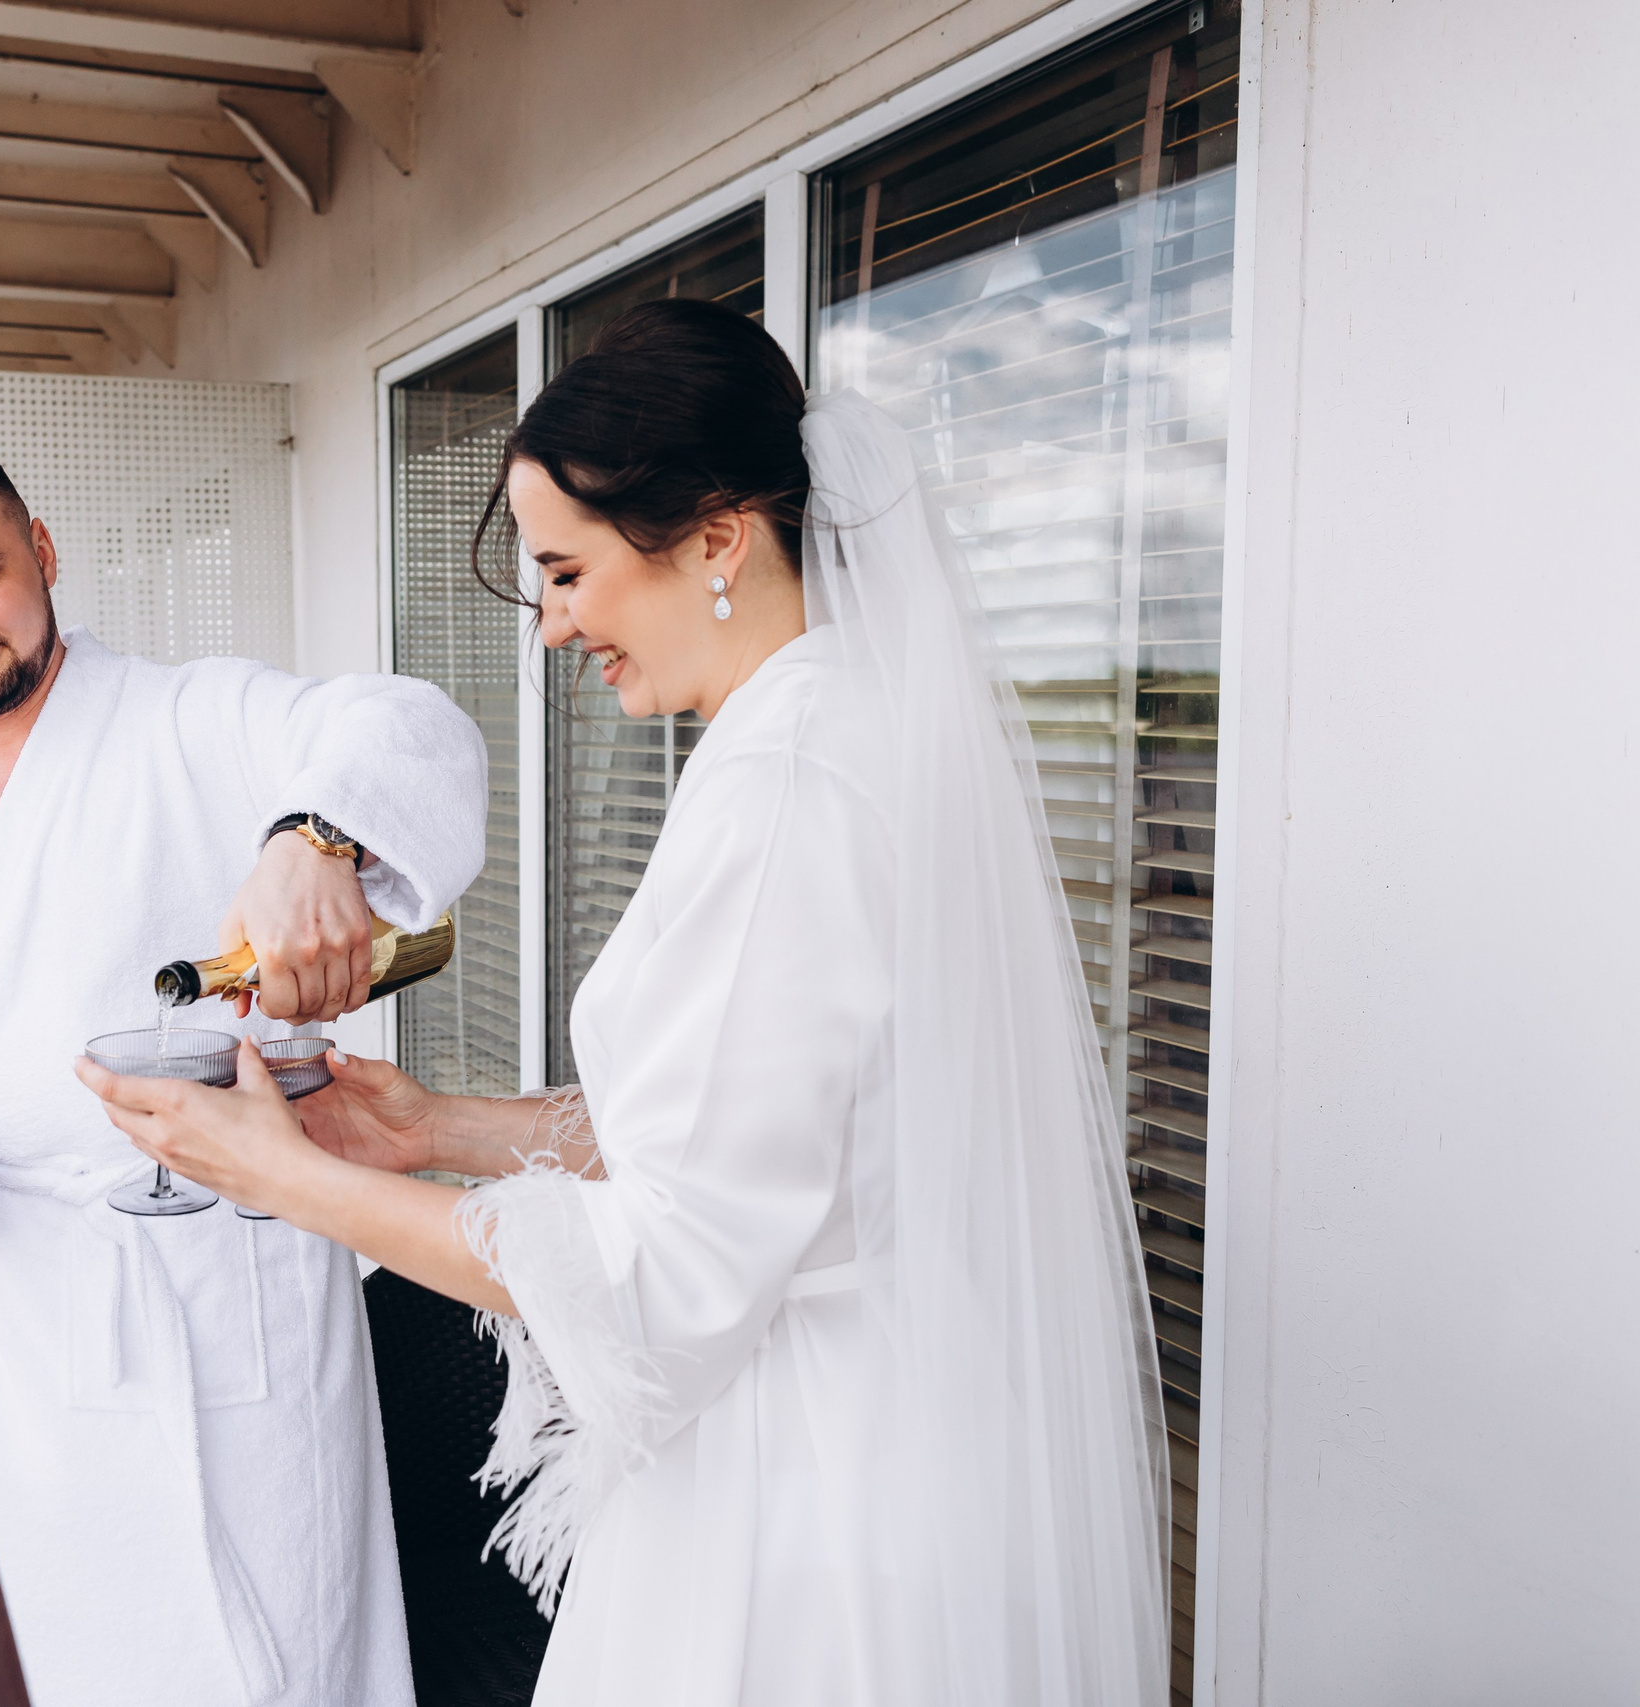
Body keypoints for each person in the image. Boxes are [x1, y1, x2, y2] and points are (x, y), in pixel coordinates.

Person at [77, 300, 1172, 1705]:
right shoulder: (822, 731)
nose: (549, 627)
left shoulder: (789, 791)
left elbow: (660, 1288)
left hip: (795, 1500)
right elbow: (754, 1138)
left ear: (717, 535)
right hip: (881, 1438)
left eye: (568, 571)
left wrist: (285, 1177)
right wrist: (434, 1125)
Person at [0, 435, 487, 1707]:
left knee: (285, 1642)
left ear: (43, 554)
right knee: (76, 1644)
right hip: (26, 1288)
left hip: (231, 1279)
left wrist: (315, 835)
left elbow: (410, 725)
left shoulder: (197, 717)